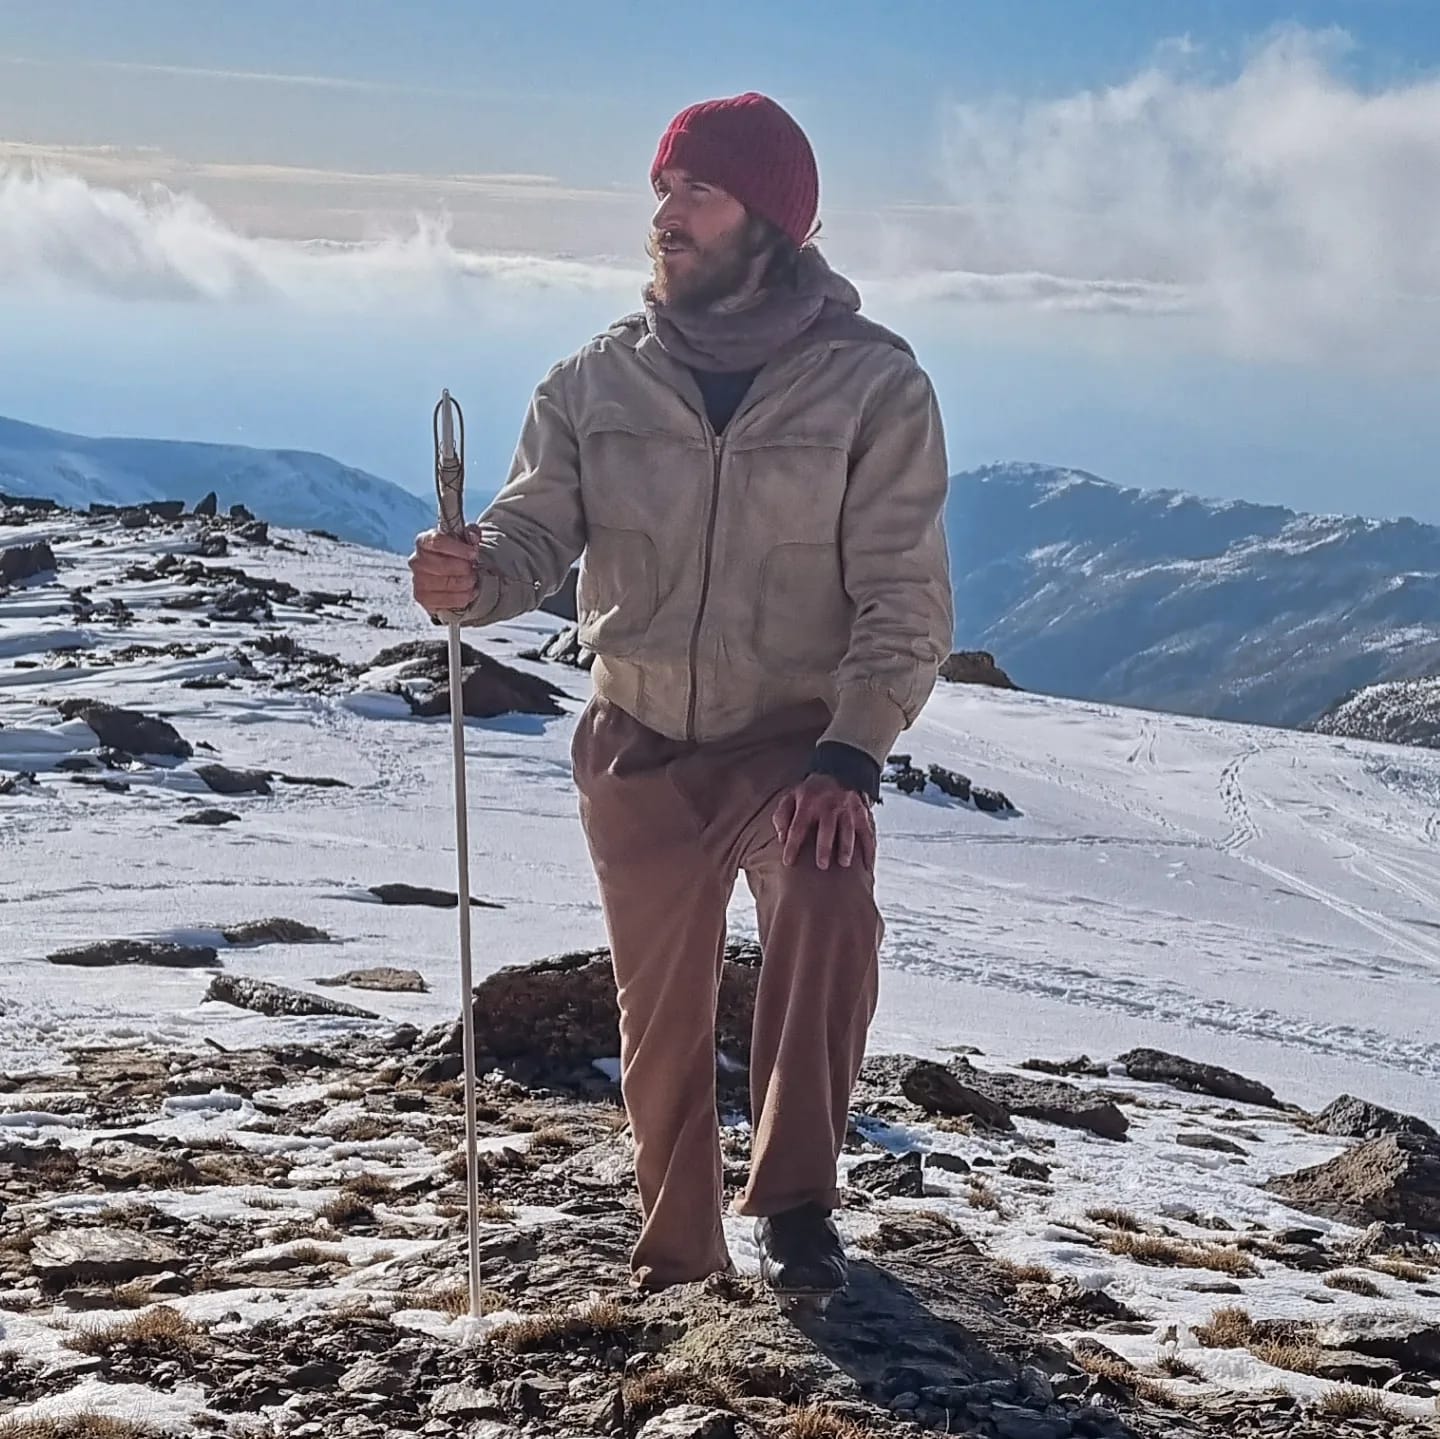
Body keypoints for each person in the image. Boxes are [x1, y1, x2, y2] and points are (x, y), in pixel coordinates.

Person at [410, 92, 952, 1300]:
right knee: (658, 1021)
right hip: (637, 740)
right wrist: (474, 575)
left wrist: (852, 754)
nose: (666, 214)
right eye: (662, 190)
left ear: (770, 218)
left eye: (696, 191)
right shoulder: (595, 382)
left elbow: (905, 595)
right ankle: (682, 1267)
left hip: (792, 744)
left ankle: (800, 1204)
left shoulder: (872, 387)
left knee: (826, 895)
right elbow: (531, 536)